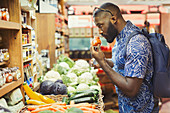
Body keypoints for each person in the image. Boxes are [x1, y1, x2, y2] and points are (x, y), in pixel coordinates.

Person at [91, 2, 159, 113]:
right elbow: (120, 64)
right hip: (126, 108)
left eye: (101, 25)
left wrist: (102, 63)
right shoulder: (120, 40)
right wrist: (104, 60)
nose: (100, 32)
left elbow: (131, 89)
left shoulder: (136, 42)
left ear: (113, 19)